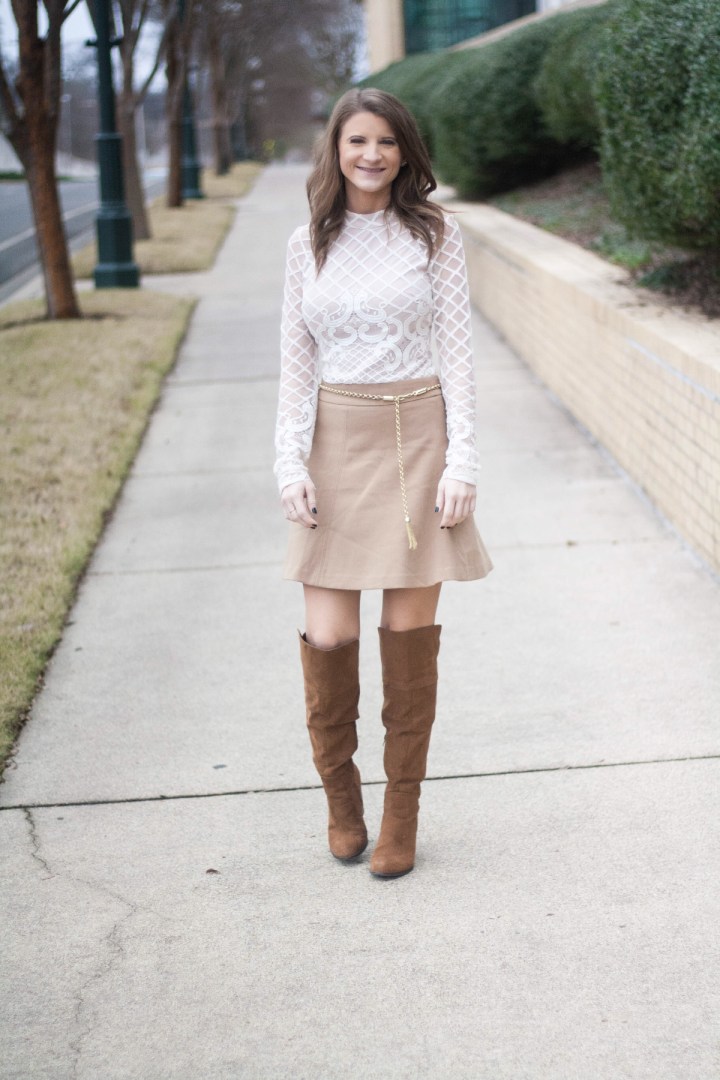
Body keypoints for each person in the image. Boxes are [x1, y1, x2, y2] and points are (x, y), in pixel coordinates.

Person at [274, 87, 493, 879]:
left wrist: (463, 460)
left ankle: (401, 817)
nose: (372, 155)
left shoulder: (435, 233)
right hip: (334, 440)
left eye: (388, 143)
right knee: (328, 636)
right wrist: (287, 463)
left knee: (408, 642)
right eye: (358, 141)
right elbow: (296, 369)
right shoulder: (307, 245)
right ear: (336, 148)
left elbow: (458, 355)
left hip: (418, 438)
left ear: (406, 154)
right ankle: (342, 804)